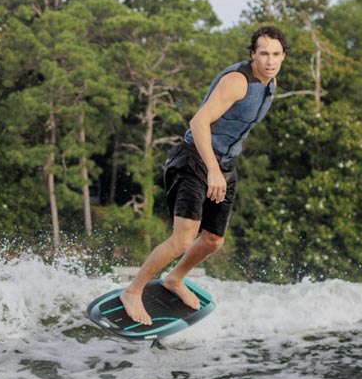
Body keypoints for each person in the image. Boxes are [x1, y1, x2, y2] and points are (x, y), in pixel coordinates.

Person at [119, 24, 288, 326]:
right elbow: (199, 122)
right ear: (253, 54)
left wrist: (220, 169)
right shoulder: (238, 82)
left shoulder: (270, 86)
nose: (270, 60)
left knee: (212, 240)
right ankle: (133, 291)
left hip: (223, 165)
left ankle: (174, 279)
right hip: (194, 160)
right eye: (263, 53)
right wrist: (212, 170)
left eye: (276, 54)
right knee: (183, 239)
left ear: (283, 56)